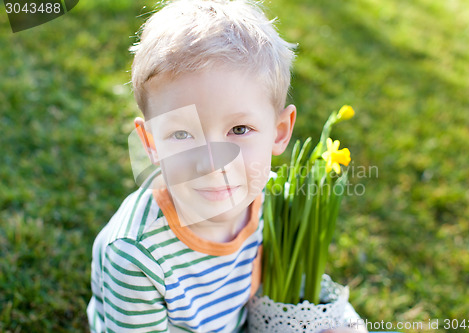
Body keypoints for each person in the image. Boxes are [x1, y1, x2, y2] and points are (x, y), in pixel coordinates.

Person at [87, 1, 366, 332]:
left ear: (279, 133)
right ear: (150, 143)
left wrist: (344, 323)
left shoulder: (275, 201)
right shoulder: (136, 254)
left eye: (239, 130)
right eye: (182, 133)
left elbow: (303, 276)